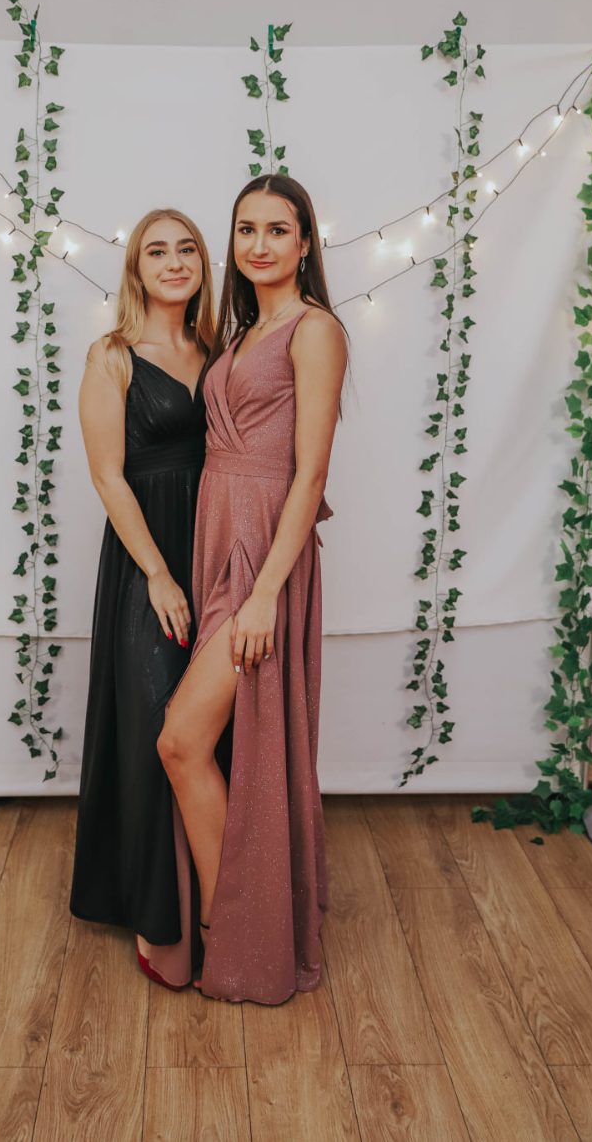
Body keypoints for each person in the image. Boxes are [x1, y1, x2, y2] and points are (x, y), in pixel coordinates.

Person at [156, 173, 348, 1004]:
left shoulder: (314, 329)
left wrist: (266, 590)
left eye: (277, 229)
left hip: (262, 550)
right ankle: (230, 918)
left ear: (304, 243)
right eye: (245, 229)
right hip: (216, 537)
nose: (259, 244)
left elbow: (310, 475)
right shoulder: (239, 333)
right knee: (198, 744)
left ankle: (227, 928)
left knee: (180, 740)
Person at [69, 208, 215, 988]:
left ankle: (210, 905)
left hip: (215, 553)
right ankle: (154, 917)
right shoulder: (112, 355)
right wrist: (157, 573)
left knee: (206, 737)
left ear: (201, 264)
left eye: (186, 248)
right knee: (154, 727)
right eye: (156, 251)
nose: (173, 261)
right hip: (146, 562)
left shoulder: (217, 352)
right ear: (135, 270)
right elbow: (106, 476)